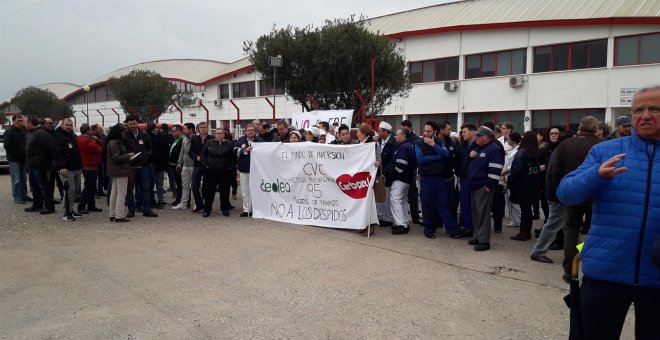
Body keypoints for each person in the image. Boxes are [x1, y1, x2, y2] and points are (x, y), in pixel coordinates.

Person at [557, 85, 660, 339]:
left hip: (656, 276)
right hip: (606, 272)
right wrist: (596, 176)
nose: (645, 115)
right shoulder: (606, 151)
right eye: (639, 110)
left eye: (655, 108)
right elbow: (566, 192)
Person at [552, 116, 603, 283]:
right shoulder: (603, 145)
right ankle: (594, 269)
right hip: (598, 196)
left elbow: (556, 171)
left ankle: (569, 271)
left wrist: (560, 191)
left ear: (579, 128)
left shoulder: (566, 144)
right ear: (596, 129)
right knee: (597, 232)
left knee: (571, 232)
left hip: (572, 194)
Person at [530, 131, 574, 263]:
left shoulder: (558, 151)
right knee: (554, 224)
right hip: (558, 195)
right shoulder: (560, 153)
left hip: (559, 194)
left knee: (571, 224)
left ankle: (580, 251)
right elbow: (555, 176)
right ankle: (538, 251)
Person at [415, 121, 461, 239]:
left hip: (440, 178)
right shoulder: (418, 143)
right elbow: (421, 159)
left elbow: (446, 154)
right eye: (425, 130)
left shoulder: (439, 142)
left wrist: (433, 145)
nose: (426, 133)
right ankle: (429, 230)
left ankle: (453, 230)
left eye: (428, 131)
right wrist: (437, 156)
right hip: (426, 179)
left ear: (435, 132)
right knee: (427, 205)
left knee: (444, 204)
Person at [466, 126, 505, 251]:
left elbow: (495, 170)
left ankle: (484, 241)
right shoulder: (478, 147)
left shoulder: (494, 150)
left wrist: (488, 186)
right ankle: (477, 236)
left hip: (484, 187)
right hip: (474, 185)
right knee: (476, 214)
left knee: (483, 214)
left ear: (486, 137)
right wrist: (470, 154)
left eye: (478, 136)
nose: (476, 138)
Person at [508, 131, 540, 241]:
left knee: (524, 209)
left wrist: (510, 183)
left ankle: (523, 233)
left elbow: (516, 170)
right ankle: (526, 232)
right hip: (532, 185)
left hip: (522, 186)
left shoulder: (521, 153)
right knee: (528, 210)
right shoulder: (535, 153)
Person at [123, 115, 157, 217]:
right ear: (127, 124)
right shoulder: (124, 135)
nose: (132, 126)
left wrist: (146, 155)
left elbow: (150, 147)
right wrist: (127, 157)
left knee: (145, 188)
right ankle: (131, 210)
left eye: (134, 123)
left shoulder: (144, 134)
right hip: (130, 167)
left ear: (137, 123)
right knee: (129, 189)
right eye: (130, 124)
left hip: (143, 166)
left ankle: (146, 210)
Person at [52, 118, 83, 220]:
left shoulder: (73, 136)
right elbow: (57, 153)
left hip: (76, 167)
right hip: (66, 168)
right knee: (70, 189)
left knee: (75, 190)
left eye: (70, 125)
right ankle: (67, 212)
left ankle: (71, 209)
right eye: (67, 125)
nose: (69, 127)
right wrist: (61, 166)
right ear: (62, 125)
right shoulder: (58, 137)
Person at [201, 128, 236, 217]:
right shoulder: (209, 143)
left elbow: (233, 157)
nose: (219, 134)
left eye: (221, 133)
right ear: (214, 134)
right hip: (211, 171)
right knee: (209, 191)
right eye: (217, 133)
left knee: (225, 191)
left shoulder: (229, 144)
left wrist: (230, 167)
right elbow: (203, 155)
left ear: (224, 135)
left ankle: (225, 208)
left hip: (224, 171)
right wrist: (206, 166)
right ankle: (207, 210)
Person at [388, 129, 417, 235]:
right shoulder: (408, 146)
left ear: (403, 136)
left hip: (400, 179)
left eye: (397, 135)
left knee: (395, 200)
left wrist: (394, 175)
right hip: (406, 179)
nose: (395, 137)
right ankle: (405, 223)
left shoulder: (404, 147)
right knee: (403, 200)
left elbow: (401, 164)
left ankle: (400, 225)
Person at [24, 116, 55, 214]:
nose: (24, 124)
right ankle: (37, 205)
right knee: (34, 186)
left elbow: (49, 148)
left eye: (25, 122)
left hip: (40, 165)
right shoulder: (31, 133)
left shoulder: (41, 133)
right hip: (32, 165)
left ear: (29, 123)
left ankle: (49, 207)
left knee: (44, 186)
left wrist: (50, 161)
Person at [356, 123, 381, 236]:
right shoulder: (358, 144)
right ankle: (363, 224)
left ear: (364, 133)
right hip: (359, 177)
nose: (356, 134)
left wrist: (378, 162)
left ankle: (371, 226)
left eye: (358, 132)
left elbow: (379, 158)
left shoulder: (374, 144)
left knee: (369, 201)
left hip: (369, 177)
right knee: (361, 202)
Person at [105, 123, 134, 222]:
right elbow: (117, 158)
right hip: (120, 170)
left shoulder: (112, 142)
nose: (123, 133)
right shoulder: (115, 143)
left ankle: (113, 214)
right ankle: (119, 215)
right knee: (121, 193)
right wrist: (128, 156)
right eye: (122, 131)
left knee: (114, 192)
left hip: (115, 170)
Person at [234, 123, 264, 217]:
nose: (250, 132)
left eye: (252, 130)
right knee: (245, 191)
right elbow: (234, 150)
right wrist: (244, 151)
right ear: (245, 132)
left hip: (255, 171)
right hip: (243, 170)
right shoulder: (240, 141)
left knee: (254, 191)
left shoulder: (260, 141)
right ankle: (246, 210)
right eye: (249, 130)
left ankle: (255, 209)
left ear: (255, 132)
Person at [77, 123, 103, 214]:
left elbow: (100, 144)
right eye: (91, 129)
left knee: (92, 188)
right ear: (88, 130)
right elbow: (99, 149)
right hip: (89, 166)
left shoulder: (88, 139)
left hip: (92, 166)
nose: (92, 131)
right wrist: (96, 142)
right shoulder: (84, 140)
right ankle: (81, 206)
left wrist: (96, 140)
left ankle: (91, 205)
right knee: (88, 188)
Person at [4, 115, 30, 204]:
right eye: (18, 120)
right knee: (16, 179)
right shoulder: (9, 132)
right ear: (13, 121)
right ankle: (17, 197)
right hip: (14, 160)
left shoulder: (23, 131)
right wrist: (17, 154)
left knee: (23, 179)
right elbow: (7, 146)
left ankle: (24, 195)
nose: (20, 122)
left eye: (21, 120)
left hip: (23, 159)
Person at [456, 124, 477, 236]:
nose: (462, 134)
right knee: (465, 203)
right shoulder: (461, 146)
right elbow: (458, 161)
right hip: (464, 178)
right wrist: (459, 173)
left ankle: (475, 227)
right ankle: (468, 227)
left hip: (476, 179)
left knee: (475, 205)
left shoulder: (479, 145)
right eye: (462, 132)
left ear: (472, 132)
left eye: (465, 132)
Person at [400, 119, 421, 224]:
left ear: (410, 128)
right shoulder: (402, 138)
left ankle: (415, 217)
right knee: (403, 195)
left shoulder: (416, 139)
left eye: (405, 128)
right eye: (402, 128)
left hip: (412, 170)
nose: (403, 130)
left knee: (413, 195)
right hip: (402, 171)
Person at [189, 122, 213, 212]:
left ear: (207, 128)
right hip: (197, 165)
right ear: (198, 129)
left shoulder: (211, 139)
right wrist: (196, 157)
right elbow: (190, 152)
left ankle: (207, 206)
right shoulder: (195, 139)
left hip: (208, 165)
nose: (202, 129)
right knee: (194, 186)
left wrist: (206, 159)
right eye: (201, 127)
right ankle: (199, 204)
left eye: (204, 127)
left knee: (207, 186)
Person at [376, 121, 395, 228]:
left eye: (380, 131)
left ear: (386, 132)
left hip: (387, 175)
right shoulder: (380, 141)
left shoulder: (393, 143)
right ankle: (381, 216)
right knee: (380, 196)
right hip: (381, 173)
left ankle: (388, 218)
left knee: (387, 197)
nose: (378, 133)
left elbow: (392, 160)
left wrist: (385, 172)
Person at [173, 123, 195, 210]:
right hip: (185, 166)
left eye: (185, 129)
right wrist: (179, 163)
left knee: (195, 186)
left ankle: (197, 203)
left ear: (191, 129)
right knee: (184, 185)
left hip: (194, 166)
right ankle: (183, 203)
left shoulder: (196, 139)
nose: (184, 131)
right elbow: (182, 152)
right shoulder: (184, 139)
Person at [501, 132, 521, 229]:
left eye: (509, 139)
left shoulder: (517, 151)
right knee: (508, 199)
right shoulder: (512, 150)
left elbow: (513, 165)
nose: (508, 140)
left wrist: (504, 172)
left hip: (511, 177)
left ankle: (518, 219)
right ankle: (514, 219)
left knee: (514, 200)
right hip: (507, 177)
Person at [147, 122, 169, 208]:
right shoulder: (160, 137)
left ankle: (156, 200)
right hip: (157, 163)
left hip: (154, 163)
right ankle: (159, 200)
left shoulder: (148, 136)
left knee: (152, 183)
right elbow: (166, 150)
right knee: (158, 183)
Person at [168, 125, 184, 207]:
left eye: (174, 131)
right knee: (178, 183)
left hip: (179, 165)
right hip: (172, 164)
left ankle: (183, 200)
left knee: (181, 183)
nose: (172, 132)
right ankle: (178, 199)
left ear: (179, 131)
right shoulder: (175, 140)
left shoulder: (183, 140)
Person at [92, 124, 107, 197]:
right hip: (95, 160)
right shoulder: (93, 137)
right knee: (94, 177)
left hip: (102, 159)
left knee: (102, 176)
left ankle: (100, 190)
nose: (101, 131)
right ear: (95, 130)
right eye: (100, 130)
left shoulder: (103, 136)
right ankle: (94, 191)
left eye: (102, 130)